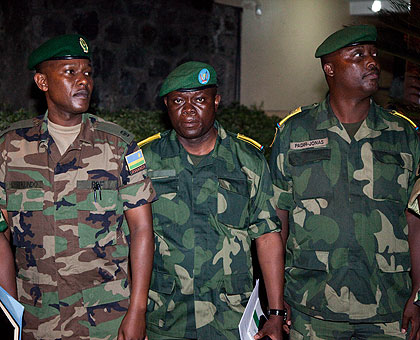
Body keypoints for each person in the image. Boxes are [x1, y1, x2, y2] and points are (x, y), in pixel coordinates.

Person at [0, 34, 156, 340]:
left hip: (106, 318)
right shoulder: (10, 148)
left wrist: (137, 311)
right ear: (42, 81)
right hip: (35, 319)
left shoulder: (118, 145)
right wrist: (9, 312)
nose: (83, 81)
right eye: (70, 72)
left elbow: (142, 230)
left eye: (87, 73)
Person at [269, 25, 420, 339]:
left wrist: (418, 295)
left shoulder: (403, 134)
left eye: (374, 55)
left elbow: (415, 220)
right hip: (312, 307)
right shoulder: (294, 132)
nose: (372, 62)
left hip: (389, 307)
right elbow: (277, 219)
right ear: (330, 68)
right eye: (358, 55)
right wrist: (276, 300)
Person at [139, 61, 285, 340]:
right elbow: (129, 241)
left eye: (200, 99)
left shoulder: (247, 160)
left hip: (230, 317)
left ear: (216, 101)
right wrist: (133, 313)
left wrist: (276, 313)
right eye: (179, 100)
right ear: (166, 105)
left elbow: (267, 236)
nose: (189, 110)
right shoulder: (146, 161)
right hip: (164, 318)